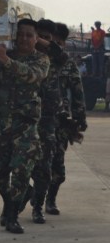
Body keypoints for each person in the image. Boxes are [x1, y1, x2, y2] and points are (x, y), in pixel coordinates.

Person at [0, 18, 49, 234]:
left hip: (25, 125)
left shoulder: (41, 59)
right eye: (20, 34)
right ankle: (11, 201)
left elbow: (31, 76)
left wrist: (4, 59)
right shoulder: (2, 55)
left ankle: (12, 216)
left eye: (29, 35)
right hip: (0, 123)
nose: (24, 39)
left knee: (21, 171)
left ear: (36, 39)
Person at [29, 19, 67, 224]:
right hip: (25, 116)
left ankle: (38, 206)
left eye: (47, 37)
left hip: (47, 118)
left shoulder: (55, 57)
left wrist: (41, 41)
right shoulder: (26, 54)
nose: (42, 41)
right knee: (19, 164)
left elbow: (63, 55)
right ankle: (26, 195)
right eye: (39, 35)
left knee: (45, 165)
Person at [48, 22, 87, 213]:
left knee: (58, 166)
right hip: (35, 119)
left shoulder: (68, 64)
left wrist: (80, 118)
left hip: (60, 121)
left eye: (57, 42)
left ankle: (50, 200)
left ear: (62, 43)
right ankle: (35, 198)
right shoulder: (36, 60)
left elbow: (77, 92)